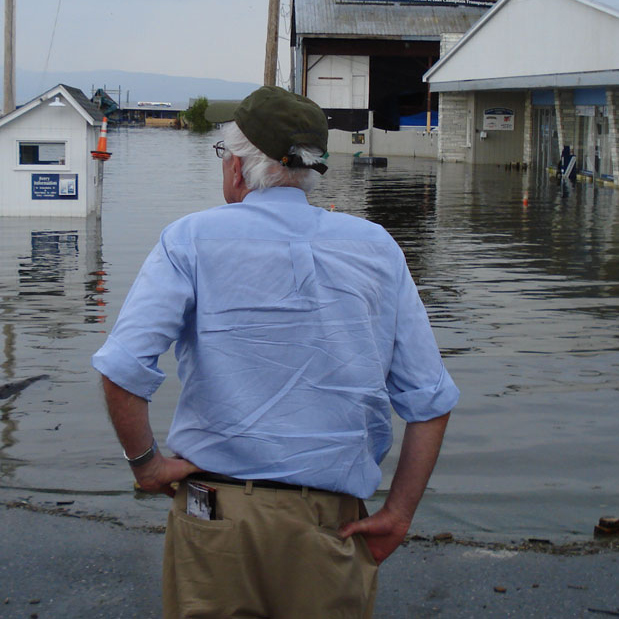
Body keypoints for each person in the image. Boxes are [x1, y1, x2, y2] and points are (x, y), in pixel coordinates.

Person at [92, 86, 459, 619]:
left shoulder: (190, 239)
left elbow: (123, 369)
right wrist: (399, 512)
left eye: (224, 156)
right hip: (329, 524)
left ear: (238, 169)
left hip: (214, 515)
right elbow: (429, 400)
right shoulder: (376, 246)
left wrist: (146, 465)